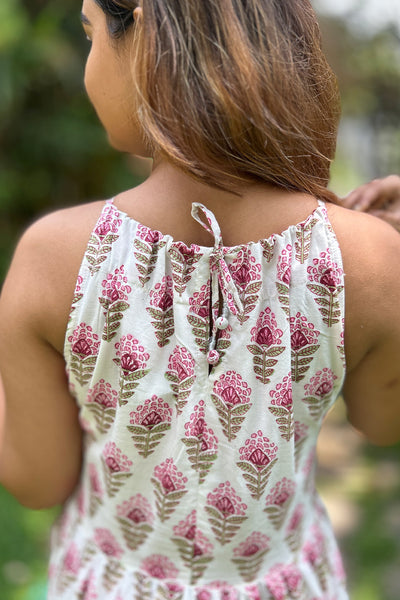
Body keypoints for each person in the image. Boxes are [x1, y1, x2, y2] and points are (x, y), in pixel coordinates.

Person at [1, 1, 400, 598]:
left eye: (90, 33)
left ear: (143, 35)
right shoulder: (370, 259)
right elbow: (381, 421)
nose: (88, 62)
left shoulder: (54, 257)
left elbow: (38, 481)